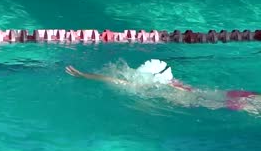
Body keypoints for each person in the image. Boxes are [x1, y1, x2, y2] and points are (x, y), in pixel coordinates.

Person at [65, 59, 260, 114]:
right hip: (222, 93)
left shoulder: (150, 88)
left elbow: (115, 80)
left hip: (208, 101)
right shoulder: (173, 82)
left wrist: (85, 76)